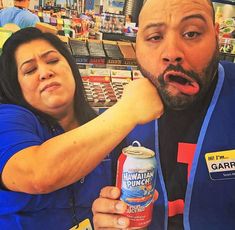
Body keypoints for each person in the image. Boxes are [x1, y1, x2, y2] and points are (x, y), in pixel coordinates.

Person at [0, 27, 163, 229]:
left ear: (71, 67)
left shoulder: (101, 130)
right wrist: (128, 110)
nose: (45, 72)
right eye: (30, 70)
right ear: (17, 87)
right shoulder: (8, 119)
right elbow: (37, 174)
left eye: (52, 60)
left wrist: (113, 218)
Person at [92, 0, 235, 229]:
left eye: (191, 33)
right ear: (137, 43)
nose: (171, 53)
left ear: (216, 35)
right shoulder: (123, 119)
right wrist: (109, 217)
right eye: (155, 37)